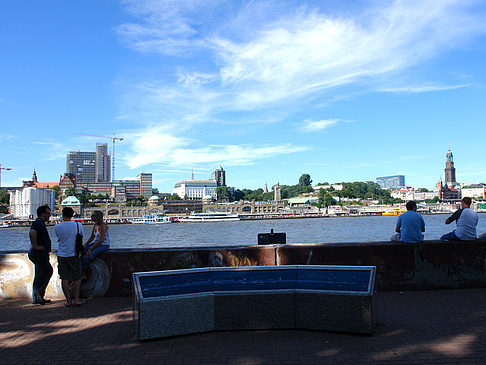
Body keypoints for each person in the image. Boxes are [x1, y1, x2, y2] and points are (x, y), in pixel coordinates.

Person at [54, 207, 86, 307]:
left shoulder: (57, 227)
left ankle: (68, 301)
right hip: (74, 254)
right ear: (72, 215)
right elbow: (81, 236)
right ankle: (76, 299)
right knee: (77, 278)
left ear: (62, 215)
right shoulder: (78, 225)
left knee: (64, 278)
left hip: (62, 254)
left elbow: (59, 239)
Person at [28, 205, 53, 305]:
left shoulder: (40, 223)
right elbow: (32, 233)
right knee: (46, 271)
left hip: (40, 253)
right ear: (43, 213)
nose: (49, 215)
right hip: (38, 253)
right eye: (48, 213)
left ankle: (38, 296)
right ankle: (39, 293)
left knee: (41, 273)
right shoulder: (38, 222)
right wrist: (36, 246)